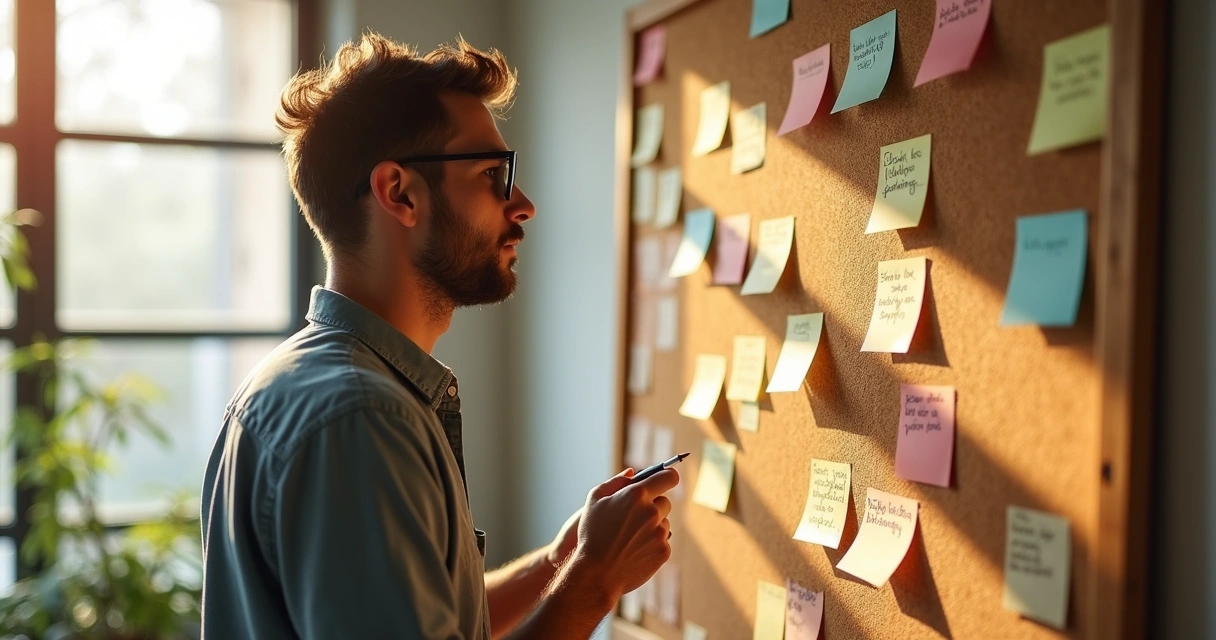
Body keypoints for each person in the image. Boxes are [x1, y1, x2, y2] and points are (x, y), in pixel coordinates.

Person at [199, 32, 678, 639]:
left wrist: (562, 559)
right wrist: (596, 579)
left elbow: (430, 615)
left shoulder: (306, 379)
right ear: (399, 193)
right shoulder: (361, 417)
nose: (523, 204)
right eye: (492, 174)